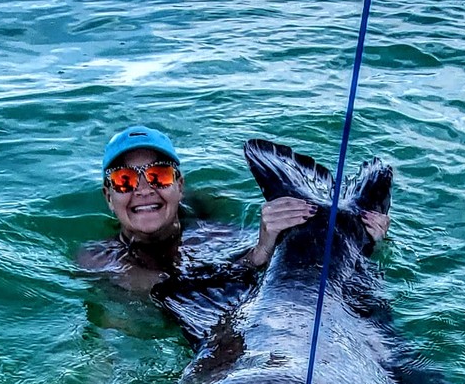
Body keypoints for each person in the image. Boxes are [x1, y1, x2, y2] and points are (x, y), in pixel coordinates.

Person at [78, 125, 389, 293]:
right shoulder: (99, 259)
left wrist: (355, 241)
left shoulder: (214, 235)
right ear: (108, 196)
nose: (143, 189)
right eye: (124, 180)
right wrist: (258, 254)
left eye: (158, 176)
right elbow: (171, 291)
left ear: (179, 186)